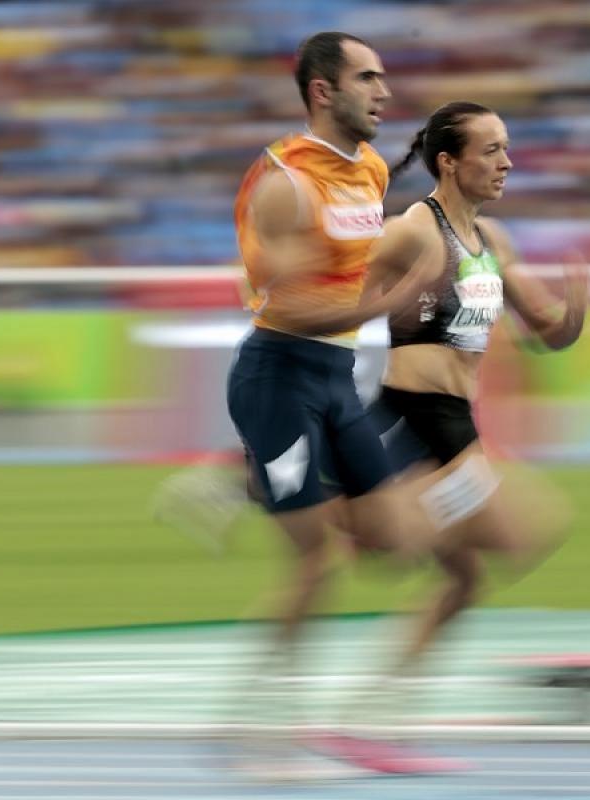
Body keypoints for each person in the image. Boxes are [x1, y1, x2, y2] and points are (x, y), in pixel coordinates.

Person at [351, 100, 590, 698]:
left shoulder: (491, 240)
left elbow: (549, 333)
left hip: (456, 418)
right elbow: (339, 289)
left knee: (465, 580)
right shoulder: (411, 230)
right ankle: (369, 515)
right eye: (492, 151)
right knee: (516, 534)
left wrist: (577, 305)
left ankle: (378, 701)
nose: (507, 162)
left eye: (507, 149)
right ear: (450, 163)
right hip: (412, 410)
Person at [227, 31, 436, 697]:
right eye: (368, 78)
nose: (385, 91)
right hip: (278, 377)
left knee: (394, 543)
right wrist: (398, 299)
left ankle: (264, 475)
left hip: (335, 379)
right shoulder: (284, 186)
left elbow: (357, 273)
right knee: (316, 563)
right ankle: (259, 717)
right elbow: (285, 312)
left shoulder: (372, 169)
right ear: (324, 92)